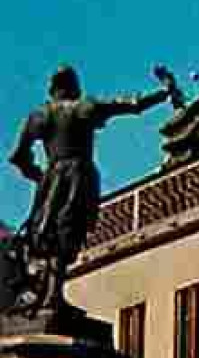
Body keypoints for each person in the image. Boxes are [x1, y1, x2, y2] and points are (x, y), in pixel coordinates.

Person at [7, 65, 173, 314]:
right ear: (72, 87)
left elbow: (18, 157)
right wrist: (164, 92)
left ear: (52, 89)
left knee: (46, 232)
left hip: (52, 178)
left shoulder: (39, 116)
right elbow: (131, 104)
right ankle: (52, 295)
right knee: (68, 231)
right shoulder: (83, 107)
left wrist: (38, 175)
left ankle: (49, 294)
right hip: (78, 176)